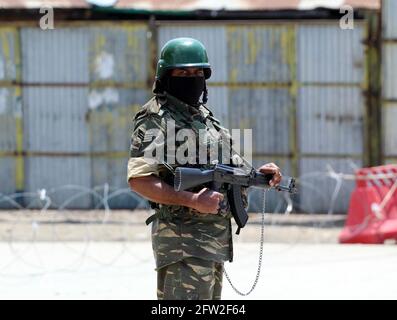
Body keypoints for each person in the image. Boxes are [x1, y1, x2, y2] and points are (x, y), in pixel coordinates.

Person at [127, 37, 282, 300]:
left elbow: (229, 168)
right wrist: (192, 201)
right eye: (184, 72)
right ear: (167, 76)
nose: (192, 77)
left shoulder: (204, 117)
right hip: (182, 243)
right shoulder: (157, 118)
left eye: (198, 72)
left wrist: (262, 175)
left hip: (213, 242)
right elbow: (139, 179)